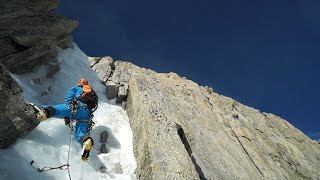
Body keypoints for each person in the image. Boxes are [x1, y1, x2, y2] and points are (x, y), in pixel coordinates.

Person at [35, 78, 98, 160]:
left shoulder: (76, 88)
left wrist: (68, 112)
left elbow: (68, 99)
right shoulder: (91, 93)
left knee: (57, 109)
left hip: (76, 106)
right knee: (81, 133)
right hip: (86, 114)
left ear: (79, 83)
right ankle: (86, 141)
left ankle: (44, 113)